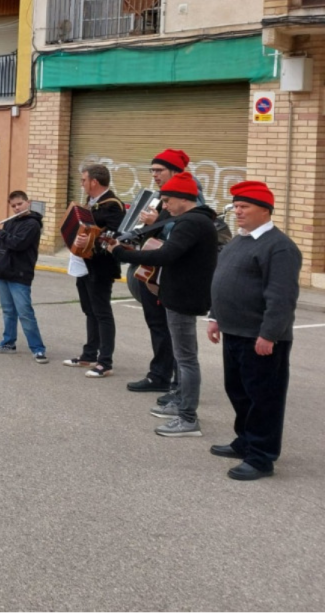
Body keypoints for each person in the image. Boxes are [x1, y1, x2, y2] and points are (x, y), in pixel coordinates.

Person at [109, 172, 218, 437]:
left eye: (168, 200)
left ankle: (188, 418)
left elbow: (166, 254)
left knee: (186, 359)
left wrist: (122, 252)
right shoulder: (191, 220)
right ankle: (181, 401)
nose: (165, 206)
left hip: (183, 297)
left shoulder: (191, 223)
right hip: (179, 294)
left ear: (183, 198)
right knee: (183, 357)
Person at [207, 180, 301, 480]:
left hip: (260, 337)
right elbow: (223, 281)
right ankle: (245, 441)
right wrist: (214, 316)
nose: (238, 212)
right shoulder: (240, 240)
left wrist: (269, 334)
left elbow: (281, 297)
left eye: (244, 207)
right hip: (234, 331)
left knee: (264, 398)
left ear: (265, 209)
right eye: (235, 207)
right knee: (239, 392)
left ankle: (261, 457)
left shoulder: (280, 247)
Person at [126, 149, 191, 394]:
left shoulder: (186, 195)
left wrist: (155, 224)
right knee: (157, 324)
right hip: (154, 270)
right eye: (152, 170)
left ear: (175, 171)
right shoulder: (163, 196)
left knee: (165, 326)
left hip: (168, 273)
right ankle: (163, 374)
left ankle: (169, 379)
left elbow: (184, 232)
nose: (154, 175)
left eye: (159, 170)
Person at [62, 164, 125, 377]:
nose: (82, 183)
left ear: (94, 182)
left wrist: (88, 238)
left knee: (102, 312)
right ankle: (89, 354)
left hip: (101, 267)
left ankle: (105, 362)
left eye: (83, 180)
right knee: (90, 310)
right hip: (84, 264)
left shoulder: (112, 205)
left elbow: (115, 234)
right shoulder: (92, 203)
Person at [0, 190, 47, 362]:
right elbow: (3, 244)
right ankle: (8, 342)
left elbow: (17, 244)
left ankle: (38, 349)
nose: (17, 208)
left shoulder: (32, 224)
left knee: (25, 313)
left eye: (19, 204)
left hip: (19, 274)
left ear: (28, 202)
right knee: (8, 311)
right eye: (13, 206)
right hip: (4, 272)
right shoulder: (11, 222)